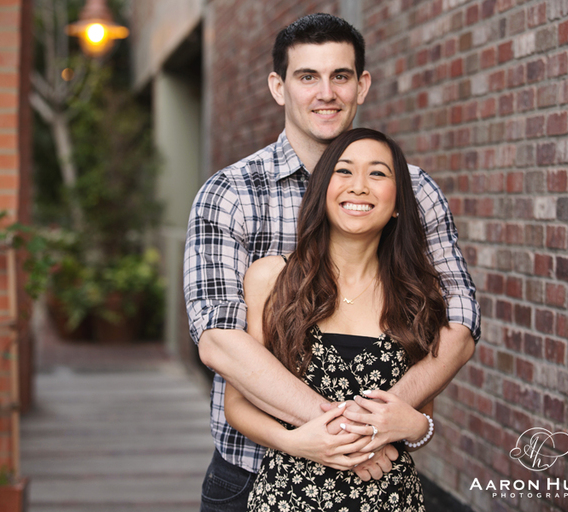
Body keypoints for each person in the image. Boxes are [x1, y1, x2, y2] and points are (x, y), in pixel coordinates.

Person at [184, 13, 480, 512]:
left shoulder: (412, 189)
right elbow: (218, 339)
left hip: (378, 479)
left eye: (340, 76)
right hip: (252, 474)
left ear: (361, 84)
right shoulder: (229, 193)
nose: (327, 93)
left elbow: (459, 319)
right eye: (307, 77)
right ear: (279, 87)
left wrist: (386, 422)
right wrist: (342, 431)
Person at [225, 127, 445, 511]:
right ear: (322, 191)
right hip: (287, 497)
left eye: (378, 173)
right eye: (344, 171)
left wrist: (417, 429)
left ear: (397, 204)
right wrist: (293, 442)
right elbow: (237, 404)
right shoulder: (270, 279)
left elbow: (423, 413)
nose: (359, 186)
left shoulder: (418, 294)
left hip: (388, 498)